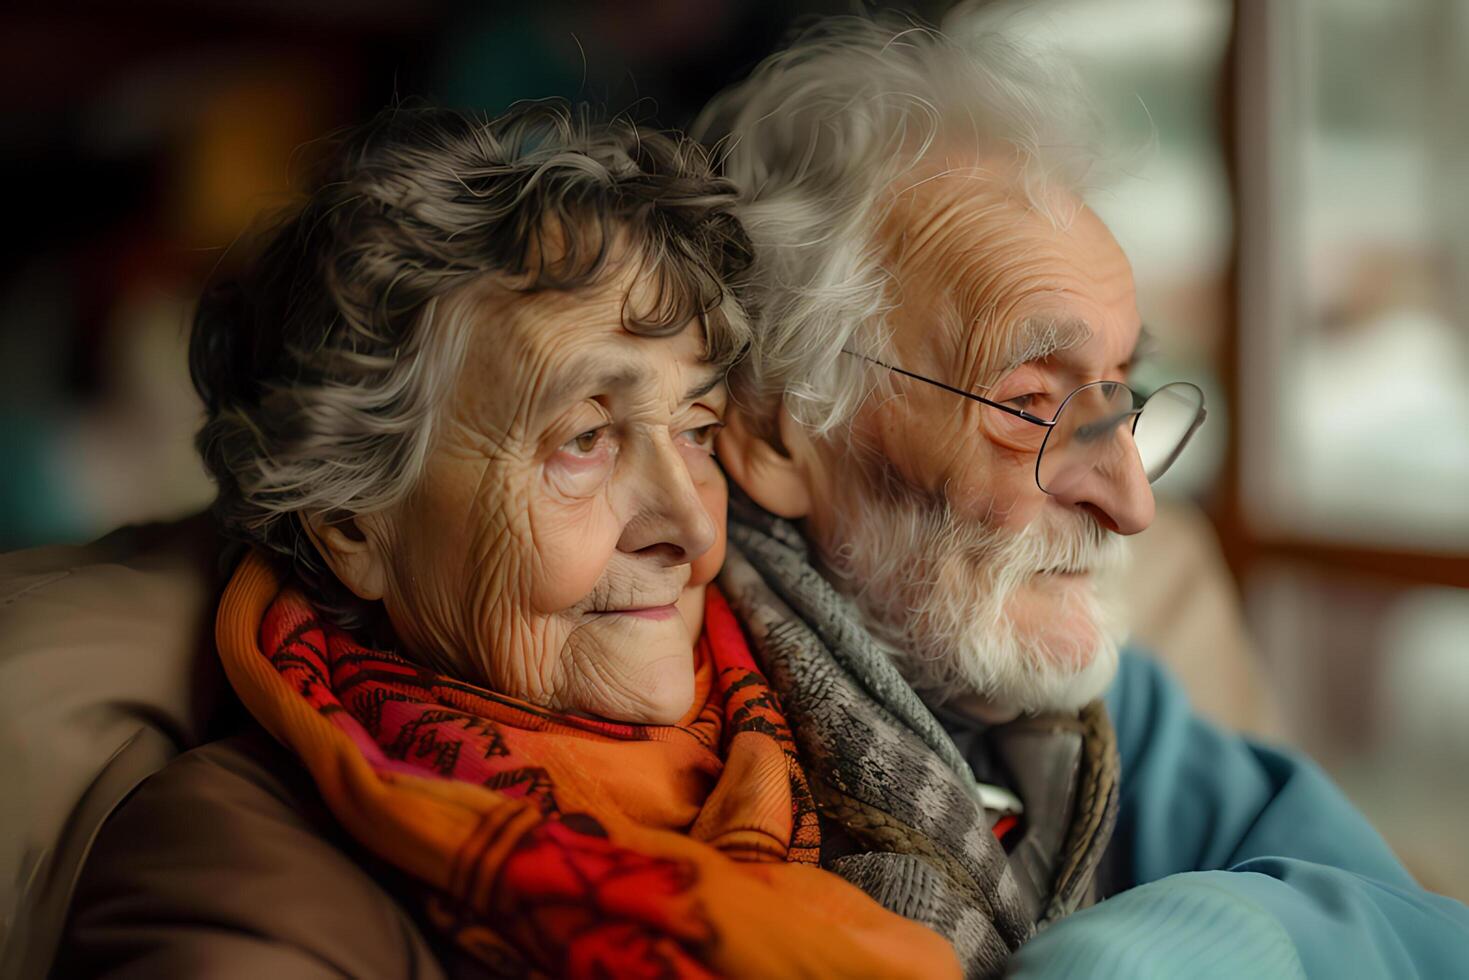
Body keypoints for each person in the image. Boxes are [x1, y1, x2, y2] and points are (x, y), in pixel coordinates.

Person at [56, 103, 960, 978]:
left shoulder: (834, 727)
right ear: (351, 523)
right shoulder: (230, 866)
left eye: (694, 428)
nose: (689, 529)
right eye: (583, 439)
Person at [693, 11, 1469, 978]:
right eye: (1027, 403)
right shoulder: (660, 722)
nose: (1132, 504)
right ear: (777, 430)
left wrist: (1223, 928)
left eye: (1120, 395)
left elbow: (1423, 930)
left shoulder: (1104, 716)